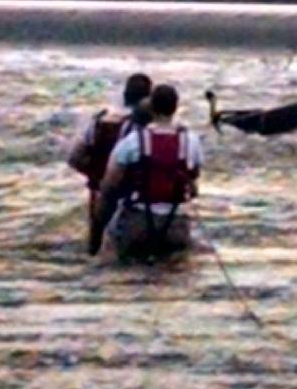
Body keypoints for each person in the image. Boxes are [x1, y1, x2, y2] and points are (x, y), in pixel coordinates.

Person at [96, 84, 202, 264]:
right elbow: (193, 180)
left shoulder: (132, 141)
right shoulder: (191, 141)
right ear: (175, 108)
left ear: (151, 107)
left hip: (136, 221)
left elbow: (109, 186)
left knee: (110, 260)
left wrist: (98, 224)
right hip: (176, 224)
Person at [66, 72, 152, 255]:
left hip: (98, 195)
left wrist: (97, 175)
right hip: (132, 202)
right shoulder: (144, 128)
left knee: (95, 249)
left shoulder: (99, 121)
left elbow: (74, 158)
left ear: (125, 95)